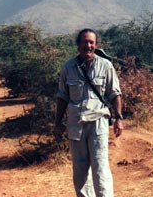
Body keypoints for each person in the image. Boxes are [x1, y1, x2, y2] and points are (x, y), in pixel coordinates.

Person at [54, 28, 124, 197]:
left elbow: (114, 93)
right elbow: (62, 97)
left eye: (91, 42)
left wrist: (118, 118)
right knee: (80, 168)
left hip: (98, 121)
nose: (88, 45)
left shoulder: (105, 65)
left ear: (96, 45)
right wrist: (57, 124)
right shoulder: (68, 67)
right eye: (85, 42)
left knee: (100, 166)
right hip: (75, 124)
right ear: (78, 45)